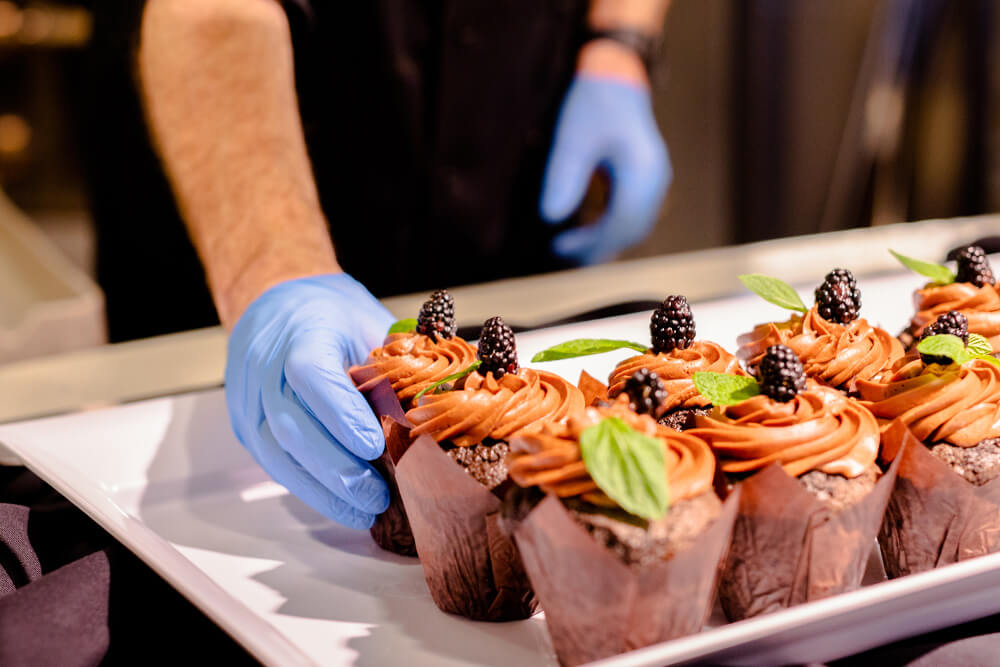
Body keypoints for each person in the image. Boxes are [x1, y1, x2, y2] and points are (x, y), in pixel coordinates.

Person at [137, 0, 672, 529]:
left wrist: (620, 42)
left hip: (519, 185)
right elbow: (209, 13)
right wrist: (273, 267)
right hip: (244, 205)